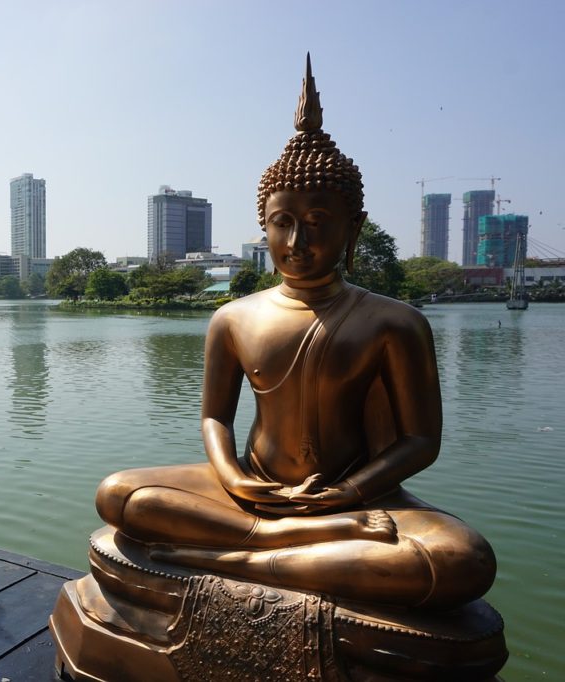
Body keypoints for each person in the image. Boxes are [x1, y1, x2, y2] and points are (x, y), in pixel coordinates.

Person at [95, 57, 495, 609]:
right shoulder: (234, 317)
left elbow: (421, 441)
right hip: (255, 488)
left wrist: (348, 493)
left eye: (318, 222)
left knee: (462, 559)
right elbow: (215, 416)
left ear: (352, 227)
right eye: (283, 221)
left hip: (360, 497)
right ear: (264, 223)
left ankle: (229, 558)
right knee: (119, 494)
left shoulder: (394, 321)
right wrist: (234, 479)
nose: (297, 240)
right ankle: (279, 542)